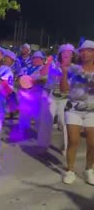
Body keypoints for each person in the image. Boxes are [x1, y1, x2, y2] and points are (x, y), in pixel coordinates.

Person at [60, 40, 94, 185]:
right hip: (73, 109)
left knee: (92, 144)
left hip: (92, 110)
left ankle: (89, 170)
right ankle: (70, 171)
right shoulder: (73, 68)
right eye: (82, 50)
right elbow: (64, 89)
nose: (84, 52)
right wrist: (64, 74)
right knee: (73, 141)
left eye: (88, 50)